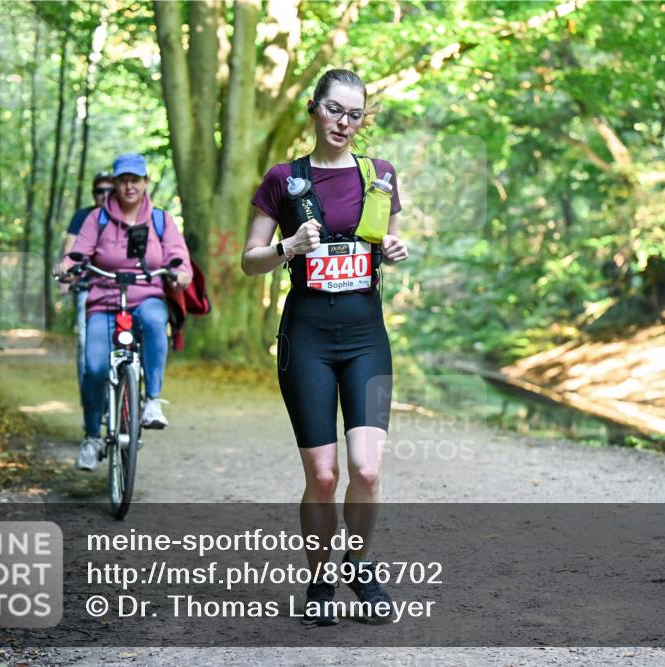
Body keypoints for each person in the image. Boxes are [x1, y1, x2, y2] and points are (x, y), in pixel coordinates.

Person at [241, 69, 409, 625]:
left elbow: (384, 240)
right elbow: (249, 260)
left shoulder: (380, 175)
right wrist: (288, 246)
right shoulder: (282, 179)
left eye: (355, 115)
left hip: (366, 339)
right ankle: (319, 581)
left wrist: (394, 248)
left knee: (366, 470)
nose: (344, 122)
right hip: (307, 338)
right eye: (335, 110)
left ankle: (359, 569)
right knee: (323, 476)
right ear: (314, 109)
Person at [54, 154, 193, 471]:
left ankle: (152, 401)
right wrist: (67, 266)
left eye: (135, 180)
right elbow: (78, 252)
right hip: (104, 299)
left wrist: (181, 273)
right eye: (123, 180)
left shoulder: (160, 219)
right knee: (94, 368)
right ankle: (92, 437)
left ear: (145, 183)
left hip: (147, 296)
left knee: (156, 321)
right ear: (115, 184)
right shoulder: (98, 219)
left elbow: (177, 256)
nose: (129, 186)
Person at [59, 172, 115, 423]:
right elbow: (70, 248)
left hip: (122, 289)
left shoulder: (127, 216)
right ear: (93, 194)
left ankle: (128, 397)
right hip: (87, 287)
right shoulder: (83, 216)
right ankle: (91, 405)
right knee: (86, 346)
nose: (104, 195)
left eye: (109, 190)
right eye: (99, 191)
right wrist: (66, 277)